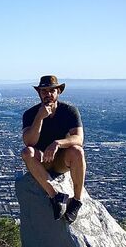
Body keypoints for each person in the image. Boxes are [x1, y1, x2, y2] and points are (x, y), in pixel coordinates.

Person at [21, 75, 86, 223]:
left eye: (52, 90)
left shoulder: (69, 111)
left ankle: (76, 200)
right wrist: (39, 118)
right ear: (39, 93)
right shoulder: (31, 114)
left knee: (77, 151)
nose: (48, 94)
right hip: (42, 159)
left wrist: (57, 143)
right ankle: (55, 195)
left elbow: (78, 139)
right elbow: (29, 142)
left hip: (62, 159)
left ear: (58, 92)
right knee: (27, 153)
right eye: (44, 91)